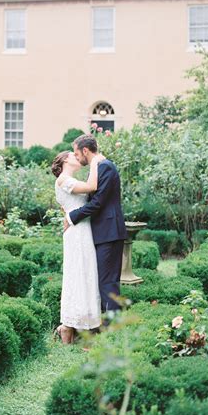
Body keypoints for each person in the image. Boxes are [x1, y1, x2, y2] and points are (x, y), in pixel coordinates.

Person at [64, 134, 128, 322]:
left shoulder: (105, 167)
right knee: (103, 279)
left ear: (85, 150)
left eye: (77, 154)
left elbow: (98, 202)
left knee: (108, 281)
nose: (76, 158)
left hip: (110, 232)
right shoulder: (97, 167)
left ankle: (112, 325)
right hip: (104, 232)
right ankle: (107, 322)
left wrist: (72, 217)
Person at [52, 149, 105, 343]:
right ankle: (68, 326)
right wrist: (95, 161)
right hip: (76, 232)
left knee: (85, 273)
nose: (77, 157)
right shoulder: (63, 180)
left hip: (82, 229)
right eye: (73, 155)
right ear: (66, 160)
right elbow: (92, 186)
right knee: (77, 274)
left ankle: (76, 325)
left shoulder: (68, 180)